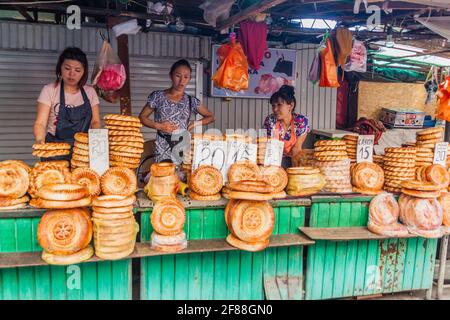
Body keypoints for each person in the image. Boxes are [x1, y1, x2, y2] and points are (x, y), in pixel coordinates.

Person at [139, 59, 215, 163]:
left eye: (186, 77)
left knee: (182, 177)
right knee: (163, 176)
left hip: (182, 147)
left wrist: (195, 123)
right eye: (178, 76)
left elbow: (210, 117)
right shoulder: (157, 96)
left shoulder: (191, 100)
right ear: (171, 75)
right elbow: (142, 117)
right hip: (162, 146)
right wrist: (159, 126)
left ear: (189, 79)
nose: (182, 81)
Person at [33, 47, 101, 160]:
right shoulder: (49, 90)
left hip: (82, 151)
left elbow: (95, 121)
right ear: (60, 68)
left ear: (84, 72)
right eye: (67, 68)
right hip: (54, 149)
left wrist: (98, 142)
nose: (71, 74)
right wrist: (40, 140)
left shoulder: (90, 92)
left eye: (77, 70)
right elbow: (40, 123)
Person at [263, 85, 310, 168]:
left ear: (291, 106)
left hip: (294, 160)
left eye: (279, 105)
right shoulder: (271, 120)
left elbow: (296, 149)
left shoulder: (301, 121)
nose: (275, 109)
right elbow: (272, 148)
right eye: (273, 106)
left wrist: (294, 172)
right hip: (275, 162)